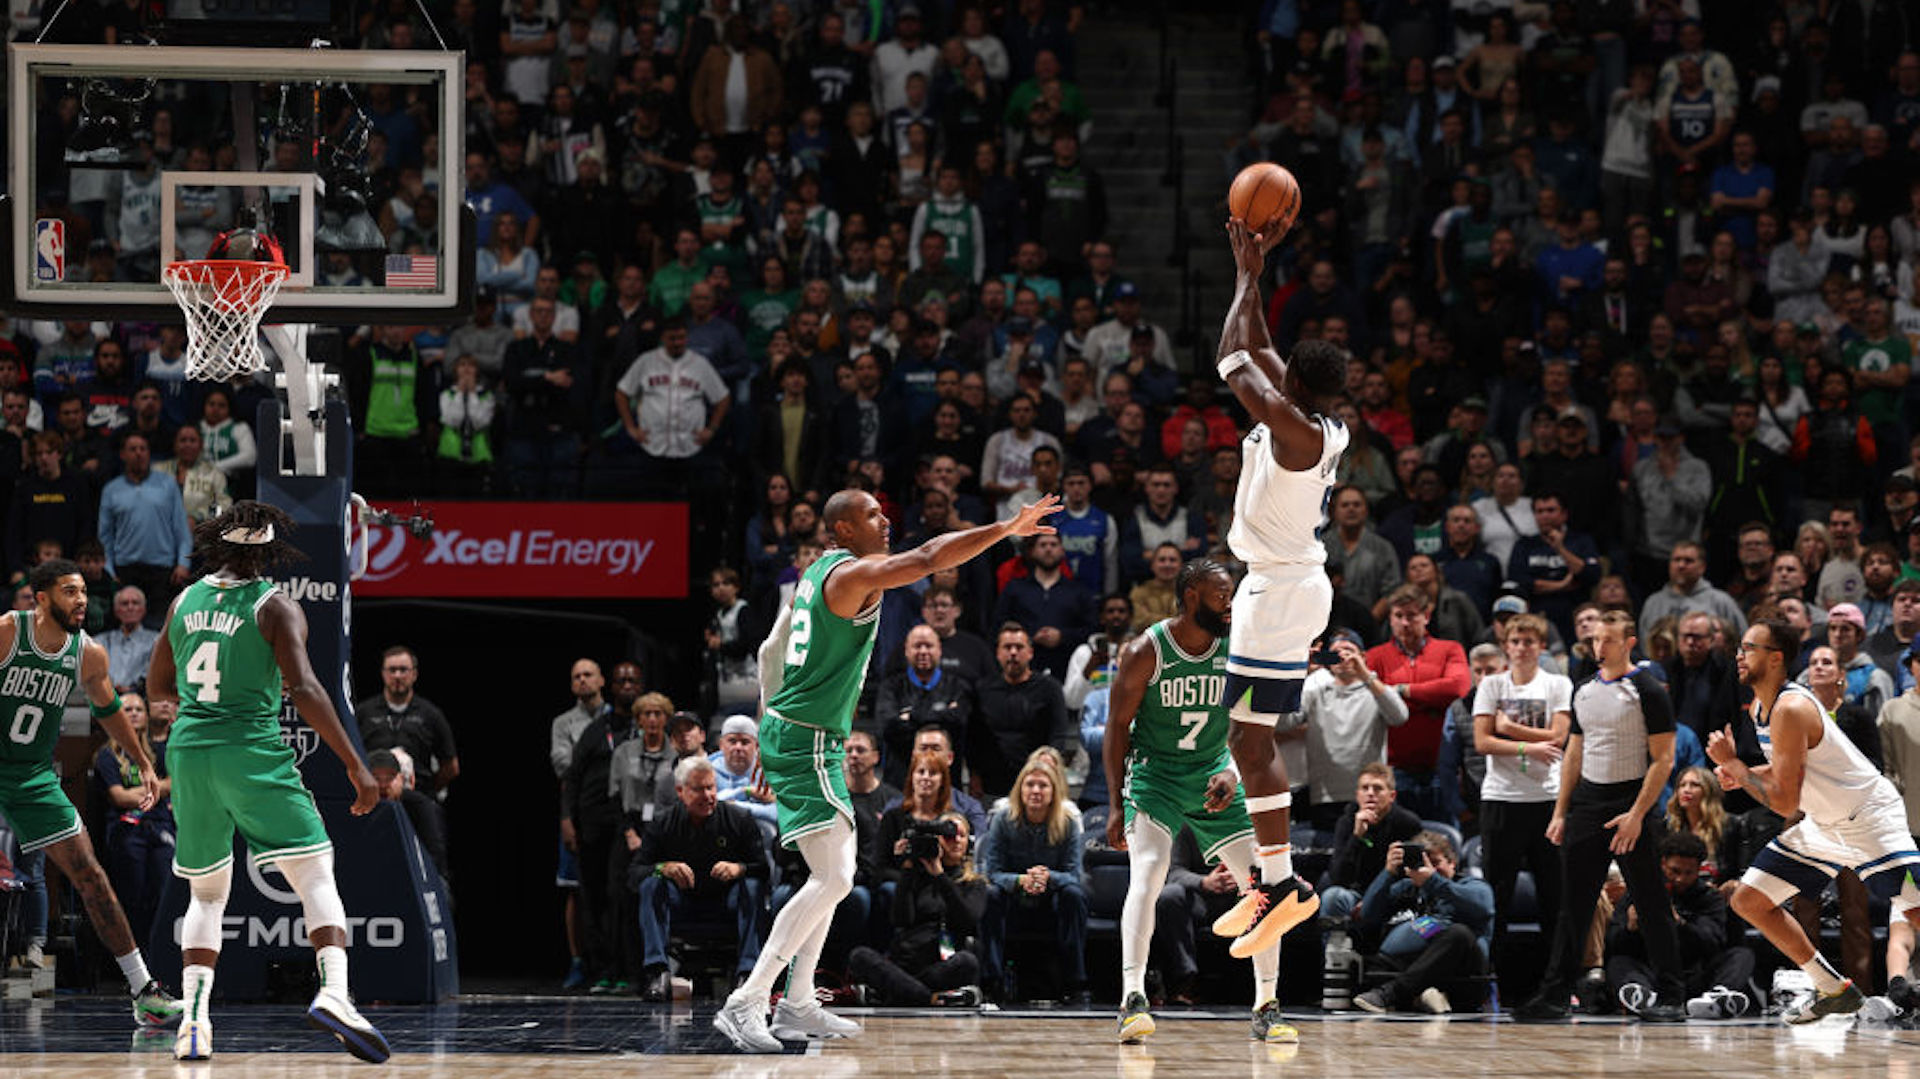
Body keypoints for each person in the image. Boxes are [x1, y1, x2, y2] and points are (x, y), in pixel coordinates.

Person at [713, 489, 1059, 1053]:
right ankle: (748, 1000)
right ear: (844, 530)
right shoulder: (851, 574)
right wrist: (1006, 528)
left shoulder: (813, 575)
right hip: (808, 738)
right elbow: (929, 561)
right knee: (832, 879)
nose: (887, 519)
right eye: (873, 514)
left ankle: (797, 1003)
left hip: (796, 732)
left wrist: (770, 723)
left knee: (836, 875)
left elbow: (770, 650)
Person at [145, 502, 388, 1061]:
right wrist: (355, 764)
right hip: (249, 750)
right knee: (315, 872)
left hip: (188, 752)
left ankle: (194, 1025)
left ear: (218, 545)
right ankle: (333, 992)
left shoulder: (184, 600)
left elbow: (160, 684)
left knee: (206, 894)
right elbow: (303, 688)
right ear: (269, 553)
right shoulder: (275, 606)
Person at [1205, 220, 1352, 963]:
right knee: (1246, 736)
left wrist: (1243, 275)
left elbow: (1233, 354)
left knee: (1248, 739)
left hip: (1277, 591)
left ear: (1297, 386)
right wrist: (1258, 282)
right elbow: (1259, 349)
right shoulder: (1320, 420)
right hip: (1289, 583)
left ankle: (1285, 883)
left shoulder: (1293, 429)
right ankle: (1275, 880)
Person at [1104, 559, 1291, 1045]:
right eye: (1220, 596)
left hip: (1213, 772)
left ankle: (1267, 1004)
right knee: (1147, 871)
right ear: (1191, 597)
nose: (1230, 605)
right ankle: (1132, 999)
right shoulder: (1148, 650)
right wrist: (1111, 803)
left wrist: (1231, 771)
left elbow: (1251, 723)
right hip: (1155, 776)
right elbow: (1116, 727)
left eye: (1232, 596)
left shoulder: (1237, 647)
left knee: (1262, 885)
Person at [1710, 617, 1920, 1024]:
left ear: (1775, 659)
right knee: (1749, 901)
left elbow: (1785, 803)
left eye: (1748, 647)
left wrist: (1736, 765)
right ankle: (1831, 988)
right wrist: (1743, 776)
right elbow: (1789, 774)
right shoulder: (1760, 708)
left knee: (1915, 910)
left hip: (1870, 819)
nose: (1739, 654)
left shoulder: (1790, 707)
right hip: (1825, 824)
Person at [0, 560, 181, 1025]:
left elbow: (109, 710)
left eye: (83, 591)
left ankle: (143, 990)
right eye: (68, 591)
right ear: (41, 599)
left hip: (32, 776)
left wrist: (142, 761)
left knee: (91, 876)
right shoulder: (7, 632)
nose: (81, 600)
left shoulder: (88, 654)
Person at [1516, 611, 1685, 1023]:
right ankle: (1555, 995)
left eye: (1608, 640)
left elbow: (1665, 759)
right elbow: (1574, 752)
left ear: (1629, 643)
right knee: (1572, 905)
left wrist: (1637, 815)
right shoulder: (1584, 690)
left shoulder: (1648, 689)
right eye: (1595, 640)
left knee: (1650, 903)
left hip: (1633, 802)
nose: (1599, 647)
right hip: (1588, 804)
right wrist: (1561, 811)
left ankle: (1672, 996)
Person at [1471, 613, 1571, 973]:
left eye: (1529, 641)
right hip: (1502, 798)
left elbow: (1559, 738)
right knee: (1497, 894)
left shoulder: (1557, 684)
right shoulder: (1492, 685)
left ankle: (1556, 979)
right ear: (1506, 646)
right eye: (1515, 641)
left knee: (1554, 896)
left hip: (1547, 799)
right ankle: (1489, 975)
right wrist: (1531, 747)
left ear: (1541, 646)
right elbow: (1483, 741)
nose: (1522, 648)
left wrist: (1509, 728)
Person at [631, 755, 769, 1001]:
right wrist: (664, 867)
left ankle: (747, 974)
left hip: (727, 901)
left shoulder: (739, 819)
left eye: (711, 787)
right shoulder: (663, 822)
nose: (708, 795)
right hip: (681, 901)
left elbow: (763, 870)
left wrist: (739, 869)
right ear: (680, 792)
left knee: (752, 885)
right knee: (652, 883)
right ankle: (657, 972)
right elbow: (634, 873)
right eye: (698, 789)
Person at [1605, 832, 1755, 1019]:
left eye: (1688, 873)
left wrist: (1679, 924)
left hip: (1696, 974)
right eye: (1674, 871)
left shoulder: (1709, 898)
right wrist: (1630, 927)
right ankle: (1642, 996)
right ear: (1663, 864)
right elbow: (1612, 943)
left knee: (1742, 955)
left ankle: (1718, 998)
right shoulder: (1637, 894)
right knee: (1619, 961)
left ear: (1699, 869)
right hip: (1653, 974)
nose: (1680, 879)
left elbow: (1713, 942)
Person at [977, 751, 1088, 1003]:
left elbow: (1074, 875)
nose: (1036, 790)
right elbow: (992, 872)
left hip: (1052, 901)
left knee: (1074, 895)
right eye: (1030, 784)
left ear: (1053, 791)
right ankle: (990, 981)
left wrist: (1047, 878)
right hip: (1014, 899)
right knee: (989, 893)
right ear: (1020, 789)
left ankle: (1076, 982)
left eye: (1043, 785)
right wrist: (1020, 881)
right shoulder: (1004, 820)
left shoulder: (1068, 823)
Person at [846, 810, 986, 1006]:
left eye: (961, 836)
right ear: (937, 840)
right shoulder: (916, 876)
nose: (956, 841)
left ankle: (897, 994)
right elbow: (900, 919)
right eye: (949, 836)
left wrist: (939, 875)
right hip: (904, 963)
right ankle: (931, 998)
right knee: (859, 956)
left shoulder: (975, 883)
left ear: (969, 844)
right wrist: (908, 868)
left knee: (968, 962)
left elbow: (967, 919)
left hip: (941, 965)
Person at [1350, 829, 1495, 1014]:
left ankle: (1389, 995)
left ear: (1452, 862)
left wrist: (1432, 882)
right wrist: (1387, 873)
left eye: (1436, 863)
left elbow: (1484, 906)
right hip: (1411, 970)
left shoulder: (1473, 886)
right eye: (1423, 863)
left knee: (1459, 934)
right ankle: (1427, 995)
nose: (1430, 870)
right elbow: (1368, 916)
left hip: (1464, 978)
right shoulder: (1408, 888)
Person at [549, 658, 608, 990]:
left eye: (588, 674)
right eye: (577, 677)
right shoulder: (563, 723)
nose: (583, 680)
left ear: (601, 680)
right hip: (576, 809)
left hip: (611, 811)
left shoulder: (617, 718)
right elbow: (563, 765)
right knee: (574, 888)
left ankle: (613, 962)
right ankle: (577, 961)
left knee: (611, 889)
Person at [355, 645, 459, 798]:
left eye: (403, 670)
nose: (397, 675)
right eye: (392, 670)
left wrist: (427, 790)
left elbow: (451, 767)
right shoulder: (363, 712)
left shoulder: (431, 715)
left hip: (418, 798)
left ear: (414, 674)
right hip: (372, 797)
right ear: (383, 673)